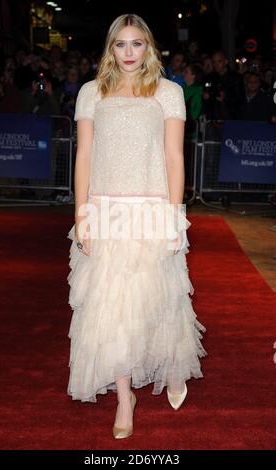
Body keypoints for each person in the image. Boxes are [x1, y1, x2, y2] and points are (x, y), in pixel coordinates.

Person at [67, 13, 207, 440]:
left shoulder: (169, 93)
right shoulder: (92, 93)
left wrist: (173, 212)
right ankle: (125, 396)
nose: (129, 53)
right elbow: (85, 156)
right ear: (110, 48)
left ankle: (172, 363)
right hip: (105, 211)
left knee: (159, 299)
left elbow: (175, 157)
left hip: (151, 209)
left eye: (137, 44)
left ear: (149, 47)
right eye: (120, 45)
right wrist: (81, 212)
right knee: (112, 311)